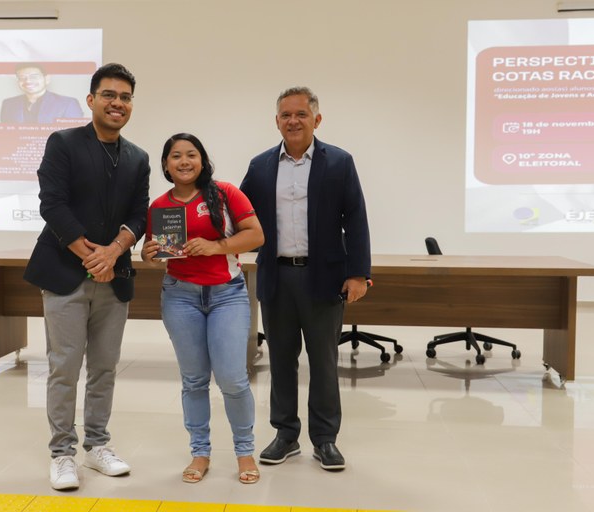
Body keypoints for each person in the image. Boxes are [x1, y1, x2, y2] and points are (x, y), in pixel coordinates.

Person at [23, 63, 150, 490]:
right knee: (64, 366)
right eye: (110, 95)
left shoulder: (138, 157)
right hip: (64, 274)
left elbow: (138, 213)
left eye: (126, 97)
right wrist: (90, 255)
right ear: (92, 100)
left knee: (104, 368)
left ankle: (97, 447)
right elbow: (52, 203)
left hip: (114, 277)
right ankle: (62, 453)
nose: (118, 103)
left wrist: (114, 251)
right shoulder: (63, 143)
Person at [239, 87, 371, 471]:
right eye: (285, 115)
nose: (292, 121)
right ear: (276, 121)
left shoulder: (339, 162)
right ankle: (285, 435)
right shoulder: (261, 165)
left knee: (324, 362)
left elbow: (356, 219)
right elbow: (240, 215)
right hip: (276, 277)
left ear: (317, 118)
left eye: (300, 114)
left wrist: (359, 273)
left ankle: (326, 439)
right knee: (281, 360)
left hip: (324, 279)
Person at [141, 133, 264, 484]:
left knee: (232, 379)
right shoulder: (159, 206)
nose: (184, 161)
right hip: (180, 297)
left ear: (202, 159)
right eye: (175, 155)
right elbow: (157, 254)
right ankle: (200, 452)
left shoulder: (225, 193)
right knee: (194, 380)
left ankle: (244, 452)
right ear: (165, 164)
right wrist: (147, 256)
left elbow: (256, 235)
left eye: (191, 154)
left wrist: (216, 247)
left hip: (228, 295)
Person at [0, 63, 84, 123]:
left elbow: (75, 136)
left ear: (47, 79)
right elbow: (5, 135)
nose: (28, 81)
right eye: (22, 77)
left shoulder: (68, 104)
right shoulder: (8, 104)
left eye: (34, 77)